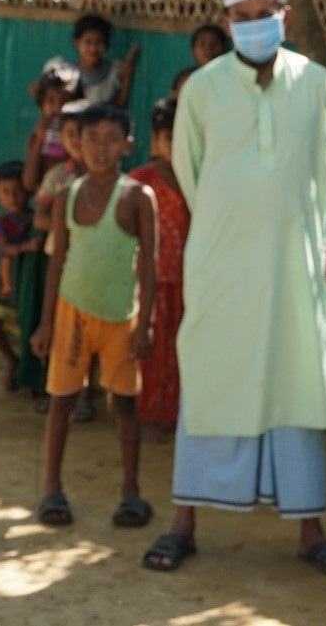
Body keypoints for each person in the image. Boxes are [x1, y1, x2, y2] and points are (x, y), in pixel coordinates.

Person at [142, 0, 326, 578]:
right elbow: (191, 171)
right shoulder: (203, 88)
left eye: (267, 13)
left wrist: (310, 242)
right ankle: (184, 522)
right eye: (243, 15)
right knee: (213, 375)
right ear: (226, 21)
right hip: (223, 262)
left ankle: (310, 531)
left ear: (286, 15)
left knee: (299, 380)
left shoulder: (316, 83)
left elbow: (316, 174)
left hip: (294, 266)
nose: (256, 24)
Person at [29, 102, 157, 529]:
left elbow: (150, 265)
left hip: (121, 317)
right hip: (72, 314)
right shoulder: (68, 196)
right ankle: (52, 489)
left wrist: (146, 324)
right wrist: (46, 323)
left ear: (128, 145)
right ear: (77, 144)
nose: (101, 149)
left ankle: (131, 493)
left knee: (124, 405)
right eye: (92, 139)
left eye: (111, 140)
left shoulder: (138, 197)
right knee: (61, 402)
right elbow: (57, 262)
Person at [17, 99, 92, 413]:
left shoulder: (104, 178)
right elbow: (40, 217)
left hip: (92, 263)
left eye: (81, 134)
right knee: (58, 324)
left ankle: (85, 395)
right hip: (57, 261)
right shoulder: (58, 175)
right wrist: (73, 224)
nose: (75, 141)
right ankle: (56, 388)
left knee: (86, 326)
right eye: (68, 134)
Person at [128, 98, 190, 441]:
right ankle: (149, 414)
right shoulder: (140, 181)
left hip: (192, 283)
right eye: (170, 137)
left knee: (183, 351)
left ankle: (180, 415)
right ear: (157, 140)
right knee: (150, 351)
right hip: (149, 282)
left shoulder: (203, 181)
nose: (178, 145)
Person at [0, 160, 33, 393]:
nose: (12, 198)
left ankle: (25, 374)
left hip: (27, 293)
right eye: (5, 192)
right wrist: (27, 247)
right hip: (4, 292)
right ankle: (12, 361)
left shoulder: (36, 220)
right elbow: (4, 248)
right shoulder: (1, 224)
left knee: (28, 335)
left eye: (17, 191)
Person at [33, 13, 139, 108]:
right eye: (88, 42)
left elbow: (118, 106)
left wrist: (126, 77)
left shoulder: (113, 73)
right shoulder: (64, 73)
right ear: (76, 42)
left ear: (106, 44)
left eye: (99, 42)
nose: (93, 48)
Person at [22, 64, 79, 193]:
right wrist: (40, 140)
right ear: (41, 105)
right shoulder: (35, 139)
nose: (58, 108)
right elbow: (29, 183)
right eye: (50, 100)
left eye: (65, 101)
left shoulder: (78, 141)